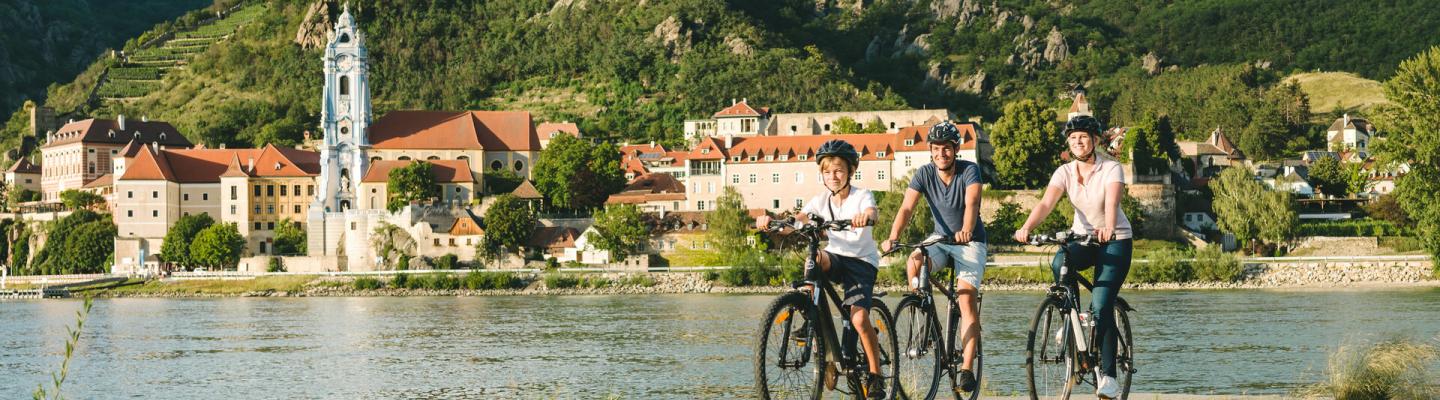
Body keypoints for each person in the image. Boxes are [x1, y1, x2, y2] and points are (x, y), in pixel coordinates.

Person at [1012, 114, 1132, 399]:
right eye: (1073, 137)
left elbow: (1112, 201)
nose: (1078, 142)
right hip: (1082, 239)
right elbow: (1046, 202)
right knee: (1058, 261)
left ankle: (1110, 378)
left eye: (1084, 137)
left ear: (1095, 141)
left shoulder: (1111, 168)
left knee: (1102, 306)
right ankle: (1072, 319)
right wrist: (1027, 228)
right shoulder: (1064, 172)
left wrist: (1109, 227)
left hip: (1114, 240)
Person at [755, 139, 886, 399]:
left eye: (838, 170)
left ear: (850, 171)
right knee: (814, 256)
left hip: (861, 263)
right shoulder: (821, 200)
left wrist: (866, 217)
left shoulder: (861, 196)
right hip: (836, 257)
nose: (833, 176)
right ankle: (808, 312)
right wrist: (775, 223)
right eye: (827, 171)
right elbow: (799, 220)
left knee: (859, 319)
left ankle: (876, 375)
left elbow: (873, 211)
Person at [880, 120, 986, 392]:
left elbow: (972, 203)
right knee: (914, 262)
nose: (942, 153)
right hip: (940, 239)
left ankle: (965, 370)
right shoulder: (924, 173)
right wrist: (893, 237)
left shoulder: (969, 170)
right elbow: (906, 208)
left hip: (969, 241)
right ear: (930, 150)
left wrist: (966, 229)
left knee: (966, 303)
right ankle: (922, 304)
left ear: (955, 149)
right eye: (937, 148)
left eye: (947, 148)